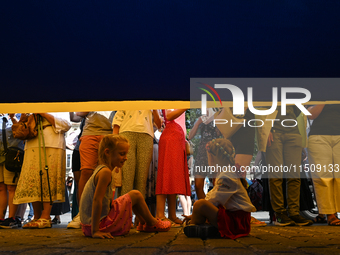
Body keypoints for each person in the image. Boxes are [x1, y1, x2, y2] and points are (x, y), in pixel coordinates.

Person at [79, 134, 171, 238]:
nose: (126, 158)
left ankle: (143, 222)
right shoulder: (105, 172)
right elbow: (97, 201)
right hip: (98, 225)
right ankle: (152, 223)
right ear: (108, 152)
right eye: (122, 154)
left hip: (88, 226)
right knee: (135, 194)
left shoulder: (101, 169)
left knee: (129, 198)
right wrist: (95, 231)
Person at [183, 138, 256, 239]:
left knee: (200, 204)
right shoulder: (226, 173)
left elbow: (215, 199)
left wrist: (198, 210)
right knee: (201, 205)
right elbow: (215, 195)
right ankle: (204, 228)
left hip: (236, 222)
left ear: (212, 158)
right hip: (235, 219)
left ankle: (193, 225)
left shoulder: (226, 175)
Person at [13, 112, 71, 228]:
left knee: (48, 179)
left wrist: (43, 113)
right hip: (32, 143)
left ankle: (46, 216)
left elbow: (66, 125)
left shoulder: (60, 105)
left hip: (52, 143)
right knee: (33, 180)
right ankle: (37, 216)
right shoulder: (31, 106)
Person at [265, 106, 313, 226]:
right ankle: (280, 214)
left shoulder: (293, 90)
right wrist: (265, 130)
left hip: (294, 132)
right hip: (274, 131)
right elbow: (261, 108)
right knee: (276, 175)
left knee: (295, 176)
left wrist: (302, 144)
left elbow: (298, 112)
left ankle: (294, 213)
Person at [68, 111, 113, 229]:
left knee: (106, 173)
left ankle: (105, 215)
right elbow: (79, 113)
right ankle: (82, 215)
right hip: (90, 133)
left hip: (110, 131)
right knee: (86, 172)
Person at [155, 109, 191, 226]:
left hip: (177, 137)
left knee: (172, 178)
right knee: (165, 175)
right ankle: (160, 214)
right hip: (171, 137)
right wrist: (186, 105)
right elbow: (169, 115)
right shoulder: (172, 96)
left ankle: (172, 214)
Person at [307, 104, 340, 226]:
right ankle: (330, 214)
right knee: (322, 177)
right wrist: (324, 99)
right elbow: (311, 114)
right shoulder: (317, 92)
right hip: (319, 136)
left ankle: (324, 213)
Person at [0, 114, 24, 228]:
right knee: (1, 187)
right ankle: (1, 217)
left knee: (11, 187)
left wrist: (14, 118)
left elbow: (22, 133)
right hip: (0, 156)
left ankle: (12, 218)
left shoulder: (20, 115)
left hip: (13, 156)